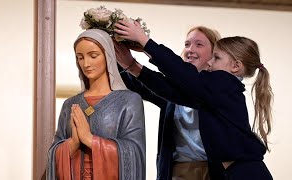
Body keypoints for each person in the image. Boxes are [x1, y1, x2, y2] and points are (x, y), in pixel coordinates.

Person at [114, 21, 273, 180]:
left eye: (216, 57)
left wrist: (145, 41)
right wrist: (131, 64)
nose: (211, 61)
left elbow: (182, 73)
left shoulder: (225, 84)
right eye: (187, 44)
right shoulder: (210, 92)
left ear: (236, 66)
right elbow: (169, 90)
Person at [114, 26, 220, 180]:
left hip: (214, 170)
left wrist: (145, 44)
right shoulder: (172, 90)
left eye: (199, 44)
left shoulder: (221, 87)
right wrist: (114, 45)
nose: (190, 49)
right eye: (187, 44)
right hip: (178, 171)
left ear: (214, 53)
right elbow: (138, 82)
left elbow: (176, 69)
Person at [46, 29, 146, 180]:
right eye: (80, 57)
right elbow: (54, 151)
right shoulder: (70, 104)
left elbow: (134, 152)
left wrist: (89, 139)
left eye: (93, 56)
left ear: (108, 56)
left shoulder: (129, 101)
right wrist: (72, 143)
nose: (86, 64)